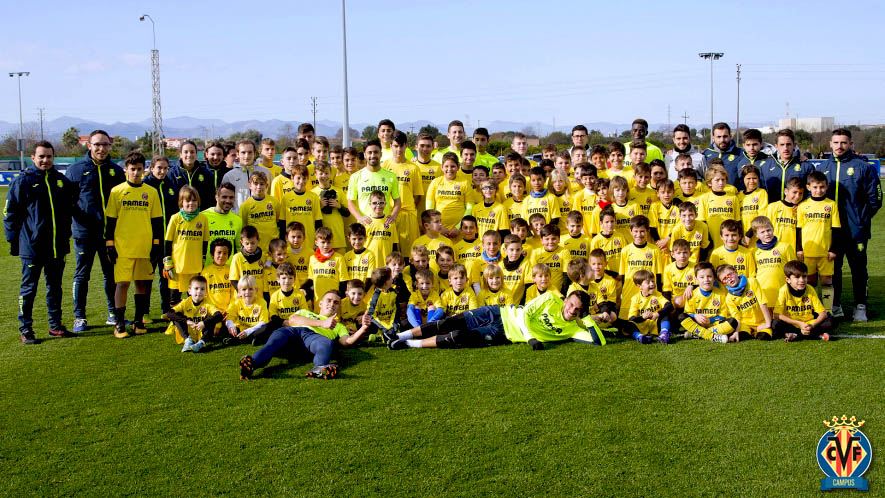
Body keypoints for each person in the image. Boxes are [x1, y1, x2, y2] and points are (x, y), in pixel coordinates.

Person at [4, 141, 75, 343]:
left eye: (49, 156)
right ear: (33, 157)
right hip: (32, 247)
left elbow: (70, 209)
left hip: (57, 247)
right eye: (41, 156)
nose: (45, 160)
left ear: (54, 158)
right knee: (29, 289)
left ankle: (55, 325)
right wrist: (14, 242)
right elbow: (10, 215)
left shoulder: (60, 181)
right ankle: (26, 329)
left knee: (55, 288)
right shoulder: (23, 182)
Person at [386, 289, 603, 350]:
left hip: (504, 334)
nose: (572, 310)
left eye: (578, 310)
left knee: (458, 336)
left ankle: (407, 343)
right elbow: (526, 313)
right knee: (448, 323)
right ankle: (398, 334)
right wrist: (530, 338)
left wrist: (587, 319)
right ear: (566, 301)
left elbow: (599, 341)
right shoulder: (551, 298)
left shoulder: (573, 329)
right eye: (571, 304)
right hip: (500, 313)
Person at [817, 128, 883, 321]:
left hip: (855, 231)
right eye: (836, 142)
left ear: (851, 144)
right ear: (830, 144)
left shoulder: (863, 167)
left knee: (858, 269)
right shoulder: (821, 168)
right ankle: (834, 306)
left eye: (844, 142)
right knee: (833, 270)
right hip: (829, 231)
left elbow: (875, 199)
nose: (839, 146)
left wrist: (860, 219)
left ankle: (860, 306)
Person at [238, 290, 370, 380]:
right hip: (293, 332)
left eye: (336, 303)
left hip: (314, 339)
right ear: (320, 303)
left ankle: (320, 368)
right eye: (329, 300)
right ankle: (251, 365)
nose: (332, 304)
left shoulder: (339, 326)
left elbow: (347, 341)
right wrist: (322, 323)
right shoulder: (306, 312)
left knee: (326, 343)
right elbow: (293, 321)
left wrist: (363, 329)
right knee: (274, 341)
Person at [66, 130, 125, 332]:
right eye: (97, 144)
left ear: (110, 146)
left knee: (111, 275)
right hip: (84, 234)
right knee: (82, 275)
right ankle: (79, 317)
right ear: (89, 145)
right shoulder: (75, 170)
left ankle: (113, 314)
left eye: (105, 145)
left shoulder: (116, 171)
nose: (101, 148)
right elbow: (69, 203)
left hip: (109, 234)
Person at [105, 151, 163, 338]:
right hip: (123, 247)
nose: (136, 173)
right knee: (122, 284)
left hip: (144, 246)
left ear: (144, 170)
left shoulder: (151, 192)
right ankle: (120, 323)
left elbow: (157, 221)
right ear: (126, 170)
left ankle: (138, 321)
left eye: (139, 169)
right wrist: (110, 244)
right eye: (132, 169)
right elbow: (110, 221)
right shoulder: (117, 192)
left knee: (142, 284)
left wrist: (155, 245)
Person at [164, 185, 210, 306]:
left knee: (195, 298)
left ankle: (193, 322)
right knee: (174, 300)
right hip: (177, 266)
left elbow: (205, 241)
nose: (191, 203)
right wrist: (167, 262)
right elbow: (168, 242)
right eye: (187, 201)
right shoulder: (175, 218)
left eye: (194, 200)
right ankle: (175, 324)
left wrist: (203, 258)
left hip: (194, 266)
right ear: (181, 202)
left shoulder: (203, 219)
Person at [773, 261, 834, 342]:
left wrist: (812, 326)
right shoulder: (784, 290)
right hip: (793, 324)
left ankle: (796, 335)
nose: (802, 280)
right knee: (775, 324)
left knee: (832, 321)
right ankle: (815, 334)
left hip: (809, 323)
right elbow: (777, 314)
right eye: (797, 277)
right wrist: (798, 323)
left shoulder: (810, 289)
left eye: (804, 276)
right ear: (788, 279)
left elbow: (823, 314)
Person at [383, 131, 423, 256]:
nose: (398, 149)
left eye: (401, 146)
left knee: (409, 254)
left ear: (406, 145)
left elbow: (417, 195)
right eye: (395, 146)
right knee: (390, 253)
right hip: (389, 216)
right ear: (391, 146)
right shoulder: (385, 166)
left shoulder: (413, 168)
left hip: (408, 215)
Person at [347, 139, 401, 228]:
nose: (373, 155)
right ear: (364, 155)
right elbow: (350, 202)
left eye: (376, 152)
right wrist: (359, 217)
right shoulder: (355, 177)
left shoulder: (391, 176)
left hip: (385, 226)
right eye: (369, 152)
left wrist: (393, 216)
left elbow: (397, 201)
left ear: (381, 154)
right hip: (364, 227)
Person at [165, 275, 225, 353]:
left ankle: (201, 343)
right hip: (188, 332)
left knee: (212, 319)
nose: (199, 291)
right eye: (196, 288)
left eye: (202, 289)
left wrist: (204, 323)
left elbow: (219, 315)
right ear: (189, 291)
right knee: (177, 315)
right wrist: (187, 321)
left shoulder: (208, 302)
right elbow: (169, 314)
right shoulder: (185, 303)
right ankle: (188, 340)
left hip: (201, 333)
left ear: (206, 292)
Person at [679, 262, 735, 343]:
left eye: (709, 276)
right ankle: (712, 336)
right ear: (696, 279)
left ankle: (697, 334)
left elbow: (723, 315)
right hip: (698, 324)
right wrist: (695, 316)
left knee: (733, 322)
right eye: (702, 277)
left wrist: (710, 320)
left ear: (714, 278)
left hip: (715, 324)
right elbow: (687, 313)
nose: (706, 280)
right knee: (681, 316)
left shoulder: (721, 294)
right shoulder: (692, 294)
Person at [759, 129, 814, 202]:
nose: (785, 148)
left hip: (797, 211)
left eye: (788, 144)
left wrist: (803, 207)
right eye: (782, 144)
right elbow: (760, 192)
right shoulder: (765, 166)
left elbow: (811, 192)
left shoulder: (806, 166)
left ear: (794, 145)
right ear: (776, 146)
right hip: (773, 211)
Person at [221, 139, 272, 213]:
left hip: (262, 218)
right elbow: (224, 200)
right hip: (238, 219)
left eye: (250, 152)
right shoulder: (229, 176)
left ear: (254, 153)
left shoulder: (266, 172)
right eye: (243, 152)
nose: (247, 156)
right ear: (237, 154)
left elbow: (271, 195)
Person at [202, 182, 242, 266]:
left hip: (229, 271)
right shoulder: (203, 217)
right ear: (216, 197)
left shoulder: (237, 220)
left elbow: (240, 248)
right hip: (207, 270)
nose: (228, 201)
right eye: (224, 197)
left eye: (231, 197)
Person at [169, 140, 216, 210]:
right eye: (186, 152)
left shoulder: (206, 173)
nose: (189, 155)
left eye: (192, 152)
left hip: (201, 217)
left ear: (196, 154)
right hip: (180, 218)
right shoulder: (172, 173)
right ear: (180, 155)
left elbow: (211, 198)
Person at [702, 123, 743, 187]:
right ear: (713, 137)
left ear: (730, 136)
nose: (722, 140)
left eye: (725, 136)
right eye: (719, 137)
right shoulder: (706, 154)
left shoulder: (741, 154)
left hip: (734, 195)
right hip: (712, 195)